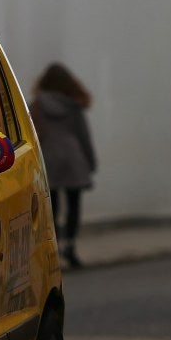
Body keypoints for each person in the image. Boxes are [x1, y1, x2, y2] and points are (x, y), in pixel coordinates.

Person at [31, 62, 97, 269]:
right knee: (74, 205)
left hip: (49, 158)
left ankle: (55, 247)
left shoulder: (37, 106)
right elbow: (83, 136)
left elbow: (31, 135)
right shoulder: (74, 106)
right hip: (73, 158)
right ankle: (71, 246)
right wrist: (91, 161)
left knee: (52, 207)